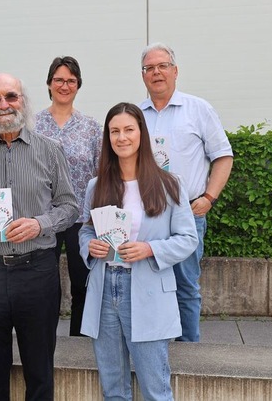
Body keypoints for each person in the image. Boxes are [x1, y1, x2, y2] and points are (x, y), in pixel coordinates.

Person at [0, 73, 79, 400]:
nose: (3, 105)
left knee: (39, 374)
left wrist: (40, 224)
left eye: (10, 96)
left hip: (37, 271)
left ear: (23, 100)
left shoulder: (50, 151)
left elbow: (70, 206)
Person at [79, 102, 198, 401]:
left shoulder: (170, 184)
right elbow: (86, 230)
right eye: (114, 131)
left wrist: (149, 249)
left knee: (156, 389)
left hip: (147, 290)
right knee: (113, 390)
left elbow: (187, 239)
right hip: (105, 288)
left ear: (141, 134)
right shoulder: (97, 185)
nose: (122, 137)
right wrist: (89, 246)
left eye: (129, 129)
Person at [139, 42, 234, 342]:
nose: (156, 72)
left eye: (162, 66)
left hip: (187, 214)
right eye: (149, 68)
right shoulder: (135, 115)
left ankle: (190, 353)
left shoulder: (198, 109)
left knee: (185, 286)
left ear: (175, 71)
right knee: (148, 285)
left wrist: (209, 198)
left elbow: (223, 156)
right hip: (146, 215)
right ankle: (155, 346)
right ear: (143, 76)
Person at [35, 56, 102, 337]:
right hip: (41, 218)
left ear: (78, 85)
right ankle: (41, 339)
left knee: (82, 283)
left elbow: (100, 173)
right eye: (59, 80)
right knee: (43, 285)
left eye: (71, 80)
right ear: (49, 84)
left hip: (79, 218)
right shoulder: (31, 124)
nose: (64, 85)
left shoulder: (90, 127)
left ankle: (80, 341)